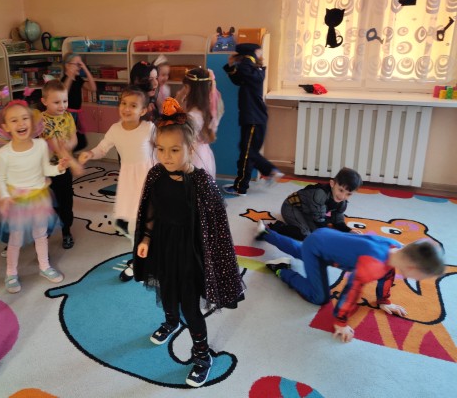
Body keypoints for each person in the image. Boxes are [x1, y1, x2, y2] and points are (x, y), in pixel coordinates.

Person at [133, 98, 244, 388]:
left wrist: (212, 260)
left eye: (174, 150)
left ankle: (202, 355)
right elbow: (151, 209)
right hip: (163, 245)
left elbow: (216, 226)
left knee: (190, 306)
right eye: (160, 149)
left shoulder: (201, 183)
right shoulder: (156, 174)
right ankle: (170, 321)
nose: (166, 156)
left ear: (190, 148)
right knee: (166, 290)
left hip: (191, 253)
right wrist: (146, 237)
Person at [259, 226, 445, 343]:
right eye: (419, 277)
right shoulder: (372, 265)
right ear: (411, 267)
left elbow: (389, 273)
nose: (417, 281)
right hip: (317, 250)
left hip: (324, 236)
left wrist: (384, 301)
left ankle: (266, 233)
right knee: (319, 297)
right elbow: (351, 291)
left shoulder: (395, 248)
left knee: (301, 250)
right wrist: (340, 322)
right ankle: (281, 269)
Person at [0, 100, 68, 292]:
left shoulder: (40, 145)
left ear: (32, 122)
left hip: (39, 198)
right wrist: (4, 197)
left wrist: (59, 168)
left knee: (41, 234)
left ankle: (44, 266)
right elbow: (0, 179)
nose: (21, 123)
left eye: (24, 118)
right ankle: (11, 273)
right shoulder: (4, 154)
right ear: (6, 127)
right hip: (16, 201)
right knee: (15, 238)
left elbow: (46, 169)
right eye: (14, 120)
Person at [78, 86, 155, 281]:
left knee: (148, 221)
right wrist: (90, 153)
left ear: (143, 111)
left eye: (133, 105)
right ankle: (139, 259)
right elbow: (102, 148)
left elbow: (162, 149)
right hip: (129, 182)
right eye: (123, 103)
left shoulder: (149, 128)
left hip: (149, 179)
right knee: (131, 222)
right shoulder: (115, 129)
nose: (126, 109)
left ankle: (146, 259)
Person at [222, 43, 283, 196]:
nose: (261, 54)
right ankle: (241, 187)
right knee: (247, 153)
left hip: (254, 119)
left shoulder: (253, 70)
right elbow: (237, 79)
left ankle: (270, 171)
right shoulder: (250, 72)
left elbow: (245, 72)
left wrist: (247, 58)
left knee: (247, 152)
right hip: (252, 118)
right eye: (258, 52)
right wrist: (231, 66)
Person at [265, 168, 363, 241]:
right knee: (306, 236)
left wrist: (348, 231)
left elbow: (337, 220)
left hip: (308, 211)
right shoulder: (320, 195)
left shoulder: (342, 202)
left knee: (317, 232)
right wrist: (332, 237)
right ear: (332, 184)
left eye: (348, 194)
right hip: (291, 206)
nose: (342, 196)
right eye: (341, 190)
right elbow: (319, 222)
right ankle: (277, 227)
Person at [40, 80, 78, 250]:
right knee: (47, 202)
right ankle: (45, 231)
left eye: (65, 101)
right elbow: (52, 144)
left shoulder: (68, 117)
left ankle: (66, 230)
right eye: (56, 102)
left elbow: (74, 138)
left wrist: (68, 145)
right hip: (45, 170)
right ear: (44, 101)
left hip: (64, 168)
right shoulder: (41, 120)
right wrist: (60, 148)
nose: (62, 105)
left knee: (65, 200)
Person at [177, 67, 223, 179]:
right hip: (203, 153)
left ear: (190, 88)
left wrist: (179, 96)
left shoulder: (192, 115)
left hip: (192, 156)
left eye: (185, 87)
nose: (183, 90)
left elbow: (180, 135)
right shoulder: (207, 108)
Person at [61, 52, 97, 151]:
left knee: (81, 142)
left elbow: (93, 88)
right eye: (76, 64)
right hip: (67, 115)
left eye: (80, 65)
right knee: (71, 141)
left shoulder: (78, 79)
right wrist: (70, 75)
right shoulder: (64, 80)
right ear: (67, 65)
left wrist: (85, 69)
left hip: (76, 114)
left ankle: (67, 155)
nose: (79, 67)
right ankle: (65, 156)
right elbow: (63, 93)